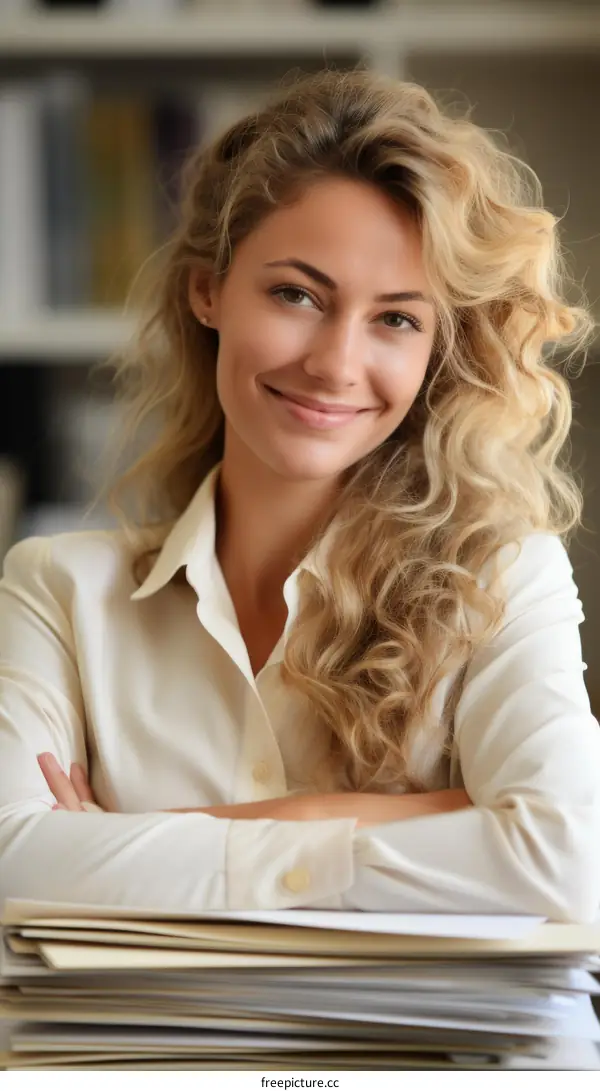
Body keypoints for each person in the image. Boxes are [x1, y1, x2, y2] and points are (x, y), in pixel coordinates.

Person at [1, 68, 600, 921]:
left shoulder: (504, 582)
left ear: (436, 347)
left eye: (396, 317)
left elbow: (571, 858)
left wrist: (171, 835)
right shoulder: (58, 591)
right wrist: (441, 820)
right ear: (207, 288)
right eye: (296, 294)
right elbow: (10, 857)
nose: (334, 364)